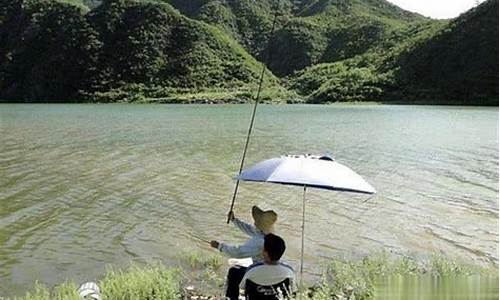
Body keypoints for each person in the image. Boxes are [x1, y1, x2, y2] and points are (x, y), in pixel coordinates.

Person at [210, 206, 278, 300]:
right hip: (270, 270)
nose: (254, 222)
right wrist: (234, 220)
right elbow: (249, 229)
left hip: (259, 272)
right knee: (238, 268)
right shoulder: (270, 235)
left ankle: (232, 298)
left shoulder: (259, 241)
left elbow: (239, 252)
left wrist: (219, 246)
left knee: (233, 272)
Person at [240, 234, 296, 299]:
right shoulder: (289, 272)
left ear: (265, 253)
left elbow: (242, 287)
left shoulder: (251, 271)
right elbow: (293, 291)